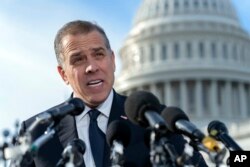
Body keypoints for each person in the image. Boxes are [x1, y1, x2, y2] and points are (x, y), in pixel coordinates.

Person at [16, 20, 208, 167]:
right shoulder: (36, 131)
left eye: (98, 54)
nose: (92, 67)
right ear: (63, 73)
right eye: (78, 59)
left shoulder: (155, 122)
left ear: (113, 60)